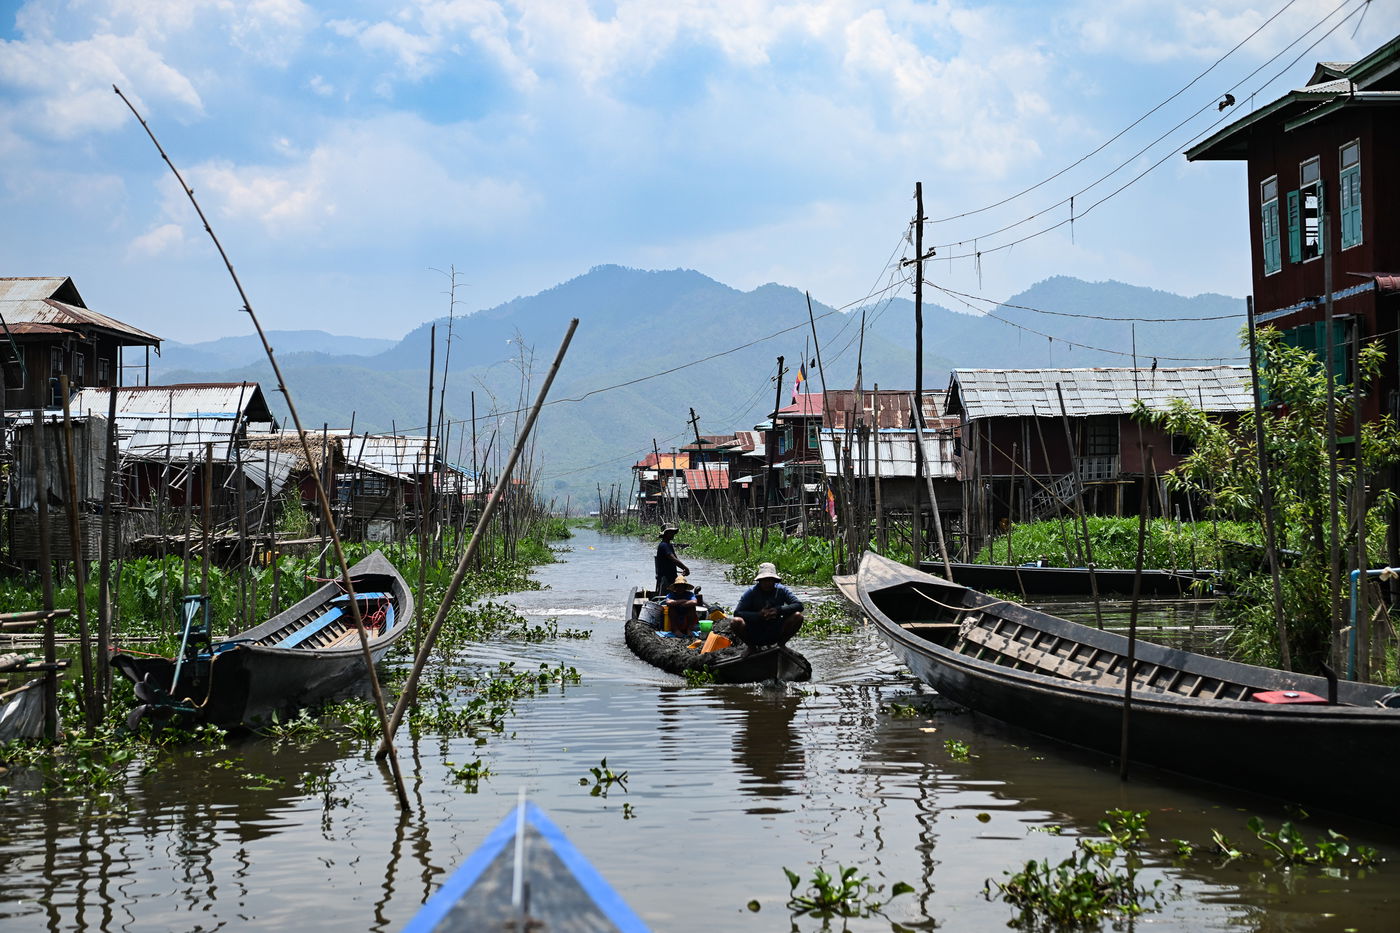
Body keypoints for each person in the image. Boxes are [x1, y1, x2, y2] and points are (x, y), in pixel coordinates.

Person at [731, 562, 803, 648]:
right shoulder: (751, 592)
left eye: (770, 580)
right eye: (764, 580)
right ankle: (751, 647)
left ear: (774, 580)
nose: (767, 583)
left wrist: (778, 610)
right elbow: (737, 613)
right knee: (736, 621)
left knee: (798, 616)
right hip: (755, 629)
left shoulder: (781, 590)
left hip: (775, 629)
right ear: (759, 581)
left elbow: (799, 605)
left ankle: (781, 644)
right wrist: (759, 615)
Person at [654, 525, 689, 594]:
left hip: (671, 576)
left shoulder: (669, 545)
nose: (673, 534)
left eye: (673, 532)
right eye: (671, 532)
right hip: (666, 578)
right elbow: (673, 559)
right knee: (666, 597)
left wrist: (683, 569)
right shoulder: (664, 545)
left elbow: (675, 559)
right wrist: (685, 568)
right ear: (666, 534)